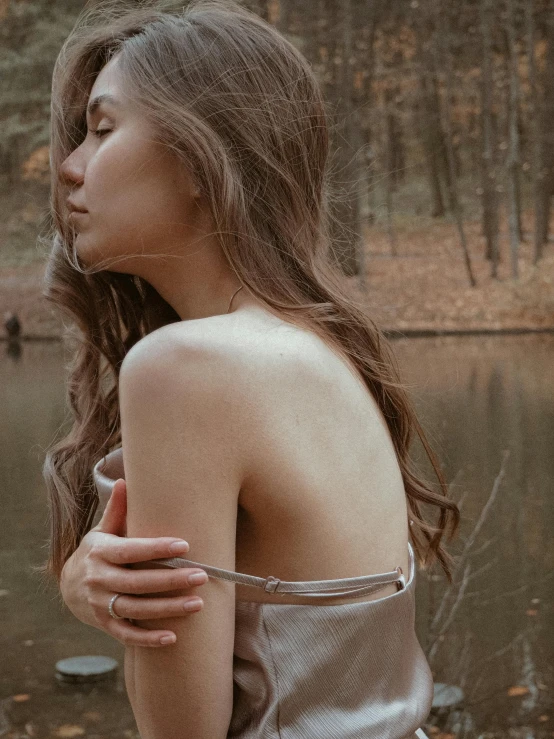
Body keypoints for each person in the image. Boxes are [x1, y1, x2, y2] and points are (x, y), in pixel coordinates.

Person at [39, 1, 460, 736]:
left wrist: (116, 608)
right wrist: (95, 589)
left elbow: (181, 731)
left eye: (102, 130)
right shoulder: (324, 345)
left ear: (204, 158)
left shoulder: (185, 368)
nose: (70, 167)